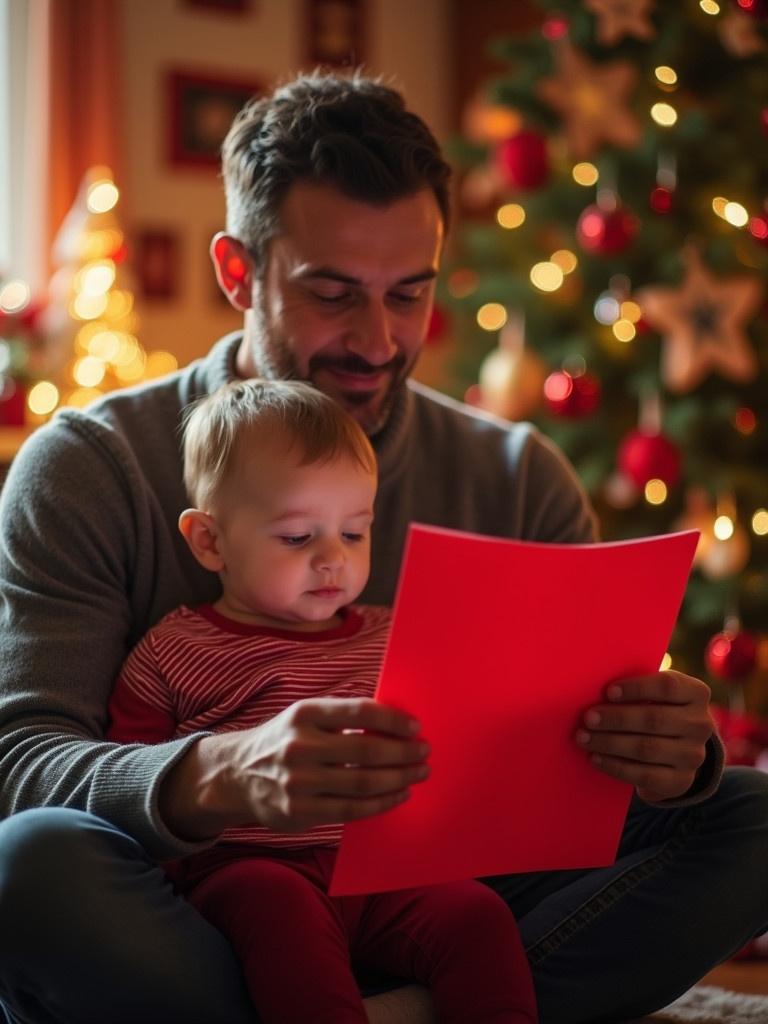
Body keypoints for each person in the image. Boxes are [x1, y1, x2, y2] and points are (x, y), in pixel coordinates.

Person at [0, 70, 766, 1024]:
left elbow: (581, 778)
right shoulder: (90, 467)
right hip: (214, 904)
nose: (379, 339)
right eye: (333, 294)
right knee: (31, 864)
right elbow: (20, 761)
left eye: (410, 294)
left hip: (449, 895)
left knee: (747, 817)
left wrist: (669, 754)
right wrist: (217, 773)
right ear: (238, 273)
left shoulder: (518, 478)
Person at [105, 376, 538, 1024]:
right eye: (298, 537)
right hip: (253, 868)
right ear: (209, 541)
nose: (333, 560)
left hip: (386, 870)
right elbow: (130, 784)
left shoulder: (394, 634)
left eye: (355, 533)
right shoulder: (174, 649)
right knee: (276, 910)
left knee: (477, 915)